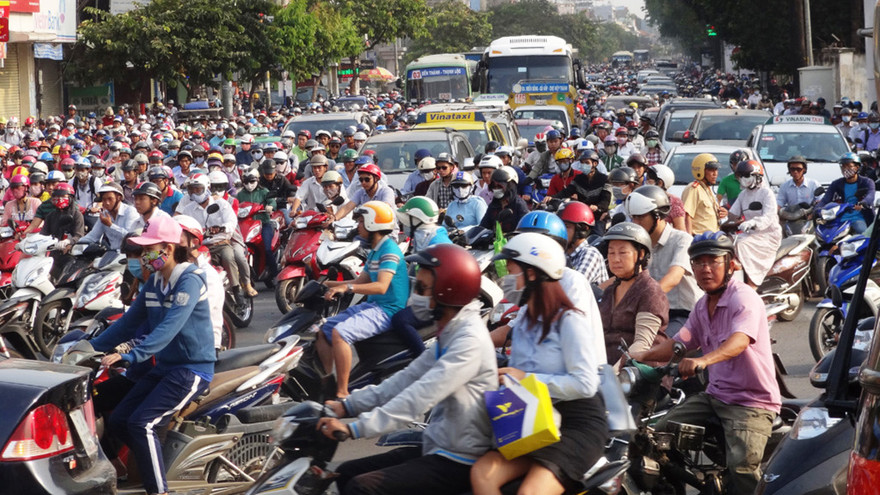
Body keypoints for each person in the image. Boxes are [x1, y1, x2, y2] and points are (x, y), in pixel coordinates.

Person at [321, 244, 497, 495]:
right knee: (346, 472)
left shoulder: (469, 341)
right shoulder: (453, 330)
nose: (416, 296)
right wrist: (347, 406)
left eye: (422, 289)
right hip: (439, 445)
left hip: (460, 459)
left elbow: (419, 397)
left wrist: (354, 428)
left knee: (362, 488)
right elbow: (407, 378)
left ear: (447, 291)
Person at [632, 232, 781, 495]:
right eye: (699, 262)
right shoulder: (702, 306)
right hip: (715, 396)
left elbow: (740, 341)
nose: (706, 269)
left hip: (750, 402)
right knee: (658, 437)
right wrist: (642, 355)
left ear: (731, 264)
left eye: (713, 261)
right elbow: (680, 342)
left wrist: (703, 360)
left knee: (742, 468)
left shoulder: (743, 298)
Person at [471, 233, 607, 495]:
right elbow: (516, 374)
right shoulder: (524, 320)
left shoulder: (569, 320)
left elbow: (586, 384)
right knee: (481, 473)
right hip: (534, 418)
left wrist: (526, 379)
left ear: (532, 274)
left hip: (576, 422)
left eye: (512, 270)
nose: (506, 278)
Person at [88, 215, 216, 495]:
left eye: (148, 249)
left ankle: (159, 491)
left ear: (168, 248)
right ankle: (153, 465)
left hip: (191, 370)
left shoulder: (189, 280)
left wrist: (131, 355)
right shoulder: (156, 282)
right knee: (120, 420)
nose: (144, 256)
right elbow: (128, 323)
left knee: (141, 423)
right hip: (165, 368)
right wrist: (88, 347)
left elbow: (170, 327)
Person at [318, 201, 409, 398]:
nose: (358, 225)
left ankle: (342, 393)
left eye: (361, 221)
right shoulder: (376, 250)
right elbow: (361, 281)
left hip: (388, 310)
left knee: (340, 334)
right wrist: (327, 284)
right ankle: (327, 383)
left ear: (372, 223)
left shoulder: (390, 251)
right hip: (374, 305)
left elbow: (381, 286)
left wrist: (346, 287)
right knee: (323, 330)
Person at [626, 185, 701, 336]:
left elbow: (673, 277)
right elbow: (624, 275)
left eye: (640, 217)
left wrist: (641, 297)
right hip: (652, 312)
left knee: (653, 343)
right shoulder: (639, 244)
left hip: (683, 315)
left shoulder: (682, 240)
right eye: (633, 217)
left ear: (658, 215)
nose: (636, 223)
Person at [598, 222, 669, 366]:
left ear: (641, 254)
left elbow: (642, 344)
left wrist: (614, 374)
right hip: (605, 371)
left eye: (623, 252)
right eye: (611, 253)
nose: (615, 259)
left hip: (639, 372)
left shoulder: (650, 290)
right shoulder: (609, 292)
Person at [177, 174, 253, 302]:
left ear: (207, 188)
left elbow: (231, 222)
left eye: (198, 189)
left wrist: (221, 229)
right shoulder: (188, 209)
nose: (194, 192)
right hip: (199, 247)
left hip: (220, 244)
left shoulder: (221, 204)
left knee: (228, 257)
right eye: (191, 190)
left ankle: (236, 290)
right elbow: (182, 225)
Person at [725, 160, 782, 287]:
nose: (743, 179)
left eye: (746, 175)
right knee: (727, 243)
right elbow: (733, 214)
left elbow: (769, 216)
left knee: (740, 244)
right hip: (749, 234)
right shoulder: (743, 194)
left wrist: (753, 223)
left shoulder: (766, 193)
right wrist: (724, 219)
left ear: (757, 176)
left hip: (768, 235)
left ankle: (752, 284)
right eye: (741, 176)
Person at [175, 215, 227, 350]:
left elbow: (195, 316)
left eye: (176, 236)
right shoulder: (170, 273)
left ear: (194, 242)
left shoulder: (206, 274)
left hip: (201, 347)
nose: (171, 243)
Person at [237, 169, 281, 281]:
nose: (249, 185)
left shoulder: (264, 191)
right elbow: (234, 205)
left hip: (263, 224)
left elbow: (272, 201)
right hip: (245, 226)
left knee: (267, 249)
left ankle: (275, 274)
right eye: (246, 182)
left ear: (257, 180)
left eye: (252, 181)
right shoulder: (240, 194)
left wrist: (270, 206)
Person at [557, 201, 607, 284]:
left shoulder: (590, 254)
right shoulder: (563, 254)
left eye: (566, 226)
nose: (560, 231)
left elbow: (574, 286)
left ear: (582, 229)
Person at [79, 182, 139, 251]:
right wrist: (75, 243)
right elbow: (92, 236)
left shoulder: (130, 211)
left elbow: (131, 237)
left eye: (110, 199)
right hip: (113, 254)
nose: (107, 203)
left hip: (129, 254)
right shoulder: (104, 215)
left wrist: (110, 225)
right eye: (104, 199)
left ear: (119, 198)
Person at [329, 163, 396, 222]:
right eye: (361, 180)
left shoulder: (387, 191)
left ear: (376, 179)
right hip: (366, 229)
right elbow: (347, 208)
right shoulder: (360, 192)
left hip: (386, 230)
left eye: (367, 179)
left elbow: (384, 208)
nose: (363, 183)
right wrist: (334, 218)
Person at [682, 153, 726, 234]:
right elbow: (686, 216)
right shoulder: (694, 189)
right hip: (700, 238)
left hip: (713, 236)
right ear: (700, 170)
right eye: (711, 170)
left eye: (716, 169)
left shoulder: (707, 189)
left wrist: (722, 213)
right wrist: (688, 239)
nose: (715, 174)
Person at [479, 166, 529, 234]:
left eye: (499, 187)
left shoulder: (519, 205)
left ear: (510, 185)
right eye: (494, 187)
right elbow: (483, 227)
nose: (496, 189)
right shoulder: (493, 206)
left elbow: (525, 230)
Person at [645, 164, 686, 231]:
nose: (646, 183)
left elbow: (681, 229)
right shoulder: (645, 199)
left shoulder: (674, 202)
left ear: (660, 183)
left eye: (649, 181)